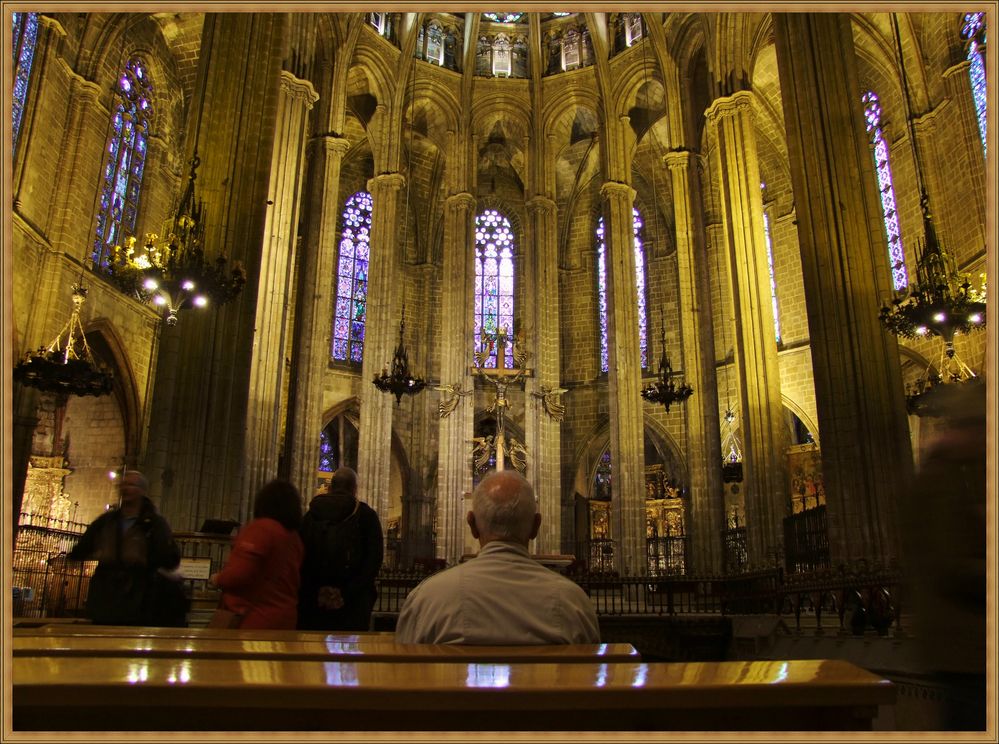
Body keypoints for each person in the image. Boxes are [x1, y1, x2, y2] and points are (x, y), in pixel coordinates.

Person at [395, 470, 600, 644]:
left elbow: (402, 674)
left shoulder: (427, 599)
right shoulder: (574, 603)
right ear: (536, 526)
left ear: (472, 524)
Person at [67, 470, 186, 626]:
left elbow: (170, 558)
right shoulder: (106, 521)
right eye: (123, 484)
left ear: (142, 491)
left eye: (131, 484)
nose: (126, 488)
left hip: (141, 598)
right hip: (106, 595)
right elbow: (82, 549)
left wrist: (144, 558)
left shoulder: (154, 524)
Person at [210, 479, 305, 630]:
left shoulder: (261, 529)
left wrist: (218, 578)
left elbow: (238, 574)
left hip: (254, 619)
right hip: (285, 619)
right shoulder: (294, 538)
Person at [298, 467, 384, 631]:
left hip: (315, 604)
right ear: (354, 489)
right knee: (351, 653)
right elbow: (374, 561)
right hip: (353, 605)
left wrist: (317, 591)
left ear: (330, 487)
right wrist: (345, 593)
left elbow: (299, 557)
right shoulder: (366, 516)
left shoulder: (310, 516)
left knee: (311, 652)